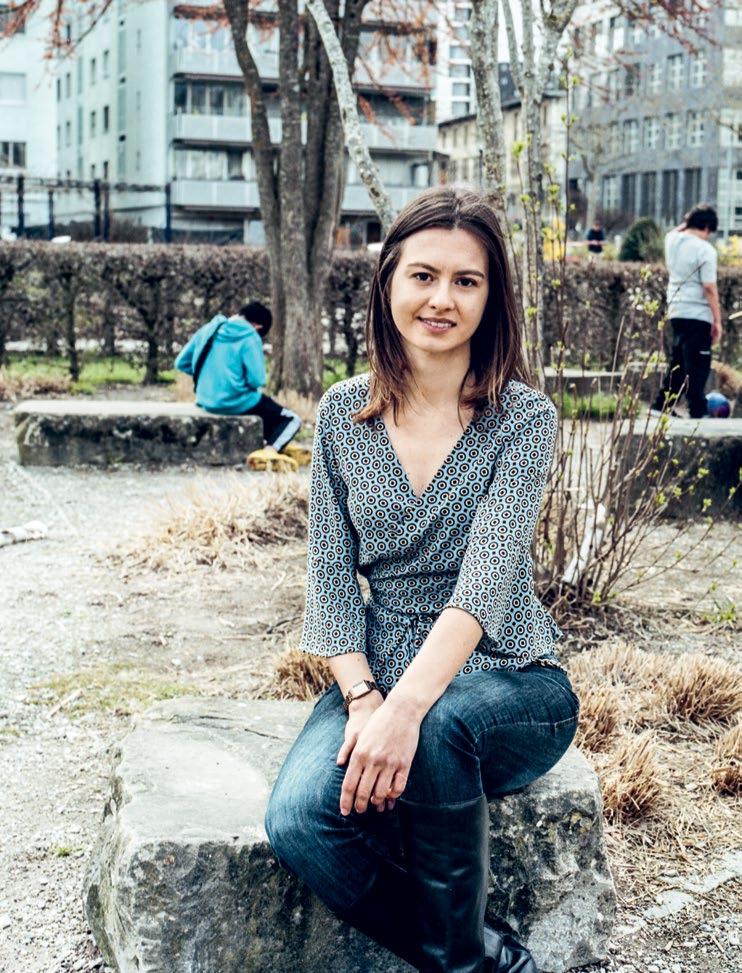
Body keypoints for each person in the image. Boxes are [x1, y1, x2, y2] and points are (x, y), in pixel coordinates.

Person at [264, 187, 579, 972]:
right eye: (424, 276)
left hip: (510, 674)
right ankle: (486, 958)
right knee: (300, 820)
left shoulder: (522, 417)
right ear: (388, 283)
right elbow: (329, 578)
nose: (442, 299)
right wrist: (365, 699)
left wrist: (405, 709)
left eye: (466, 281)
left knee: (440, 726)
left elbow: (487, 582)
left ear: (491, 297)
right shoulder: (344, 413)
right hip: (378, 669)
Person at [174, 301, 309, 471]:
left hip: (205, 400)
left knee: (266, 411)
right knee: (291, 419)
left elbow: (181, 362)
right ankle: (270, 451)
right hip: (236, 401)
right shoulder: (250, 336)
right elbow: (257, 380)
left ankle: (276, 443)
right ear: (258, 326)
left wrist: (210, 376)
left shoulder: (210, 329)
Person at [651, 204, 723, 419]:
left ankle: (662, 404)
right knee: (699, 363)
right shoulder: (705, 250)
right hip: (697, 312)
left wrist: (689, 221)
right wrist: (717, 320)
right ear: (707, 227)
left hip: (676, 309)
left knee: (680, 362)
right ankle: (698, 408)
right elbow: (709, 287)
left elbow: (677, 230)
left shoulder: (671, 240)